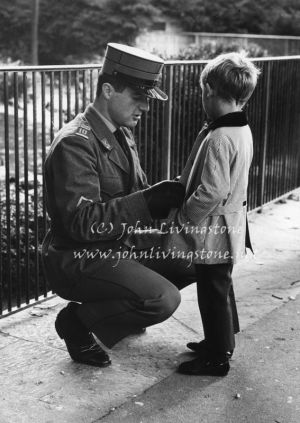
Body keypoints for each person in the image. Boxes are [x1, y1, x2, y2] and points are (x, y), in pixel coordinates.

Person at [41, 43, 188, 368]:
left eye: (146, 99)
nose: (145, 108)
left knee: (192, 257)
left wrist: (167, 207)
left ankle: (123, 308)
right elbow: (80, 222)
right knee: (163, 297)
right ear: (108, 90)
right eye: (138, 97)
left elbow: (131, 195)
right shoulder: (75, 143)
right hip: (79, 258)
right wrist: (148, 202)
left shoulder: (119, 132)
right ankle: (77, 322)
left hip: (117, 246)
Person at [162, 52, 260, 376]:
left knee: (212, 292)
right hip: (230, 224)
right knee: (221, 287)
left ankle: (217, 359)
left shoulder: (219, 137)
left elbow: (212, 190)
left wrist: (184, 218)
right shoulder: (240, 130)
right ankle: (222, 341)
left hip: (214, 229)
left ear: (209, 90)